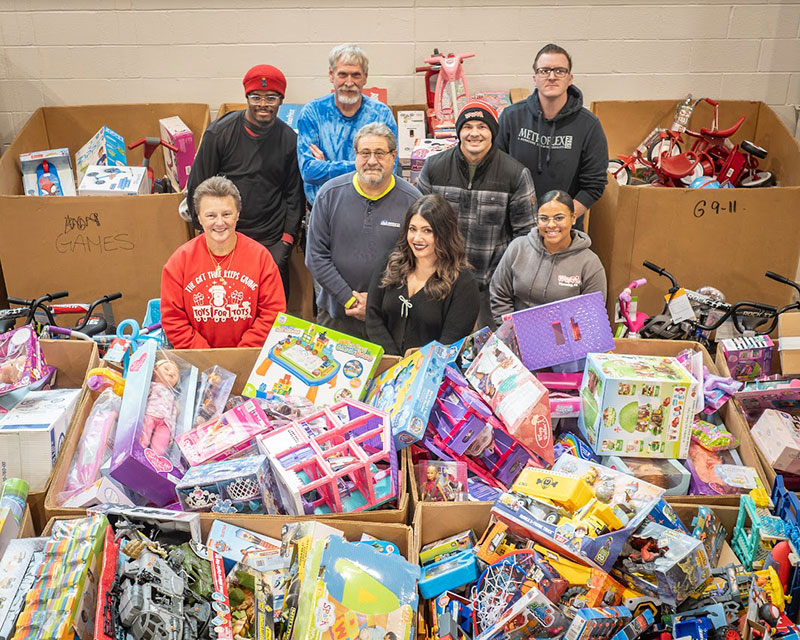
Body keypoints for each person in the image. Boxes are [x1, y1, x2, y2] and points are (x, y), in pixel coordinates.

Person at [186, 64, 304, 298]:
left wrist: (286, 241)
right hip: (226, 235)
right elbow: (197, 189)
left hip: (271, 240)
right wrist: (206, 234)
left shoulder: (289, 140)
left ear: (281, 100)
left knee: (274, 312)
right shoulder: (219, 134)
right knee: (227, 304)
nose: (263, 104)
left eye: (271, 97)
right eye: (256, 97)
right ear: (246, 97)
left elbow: (294, 194)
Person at [417, 100, 536, 329]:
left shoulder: (515, 174)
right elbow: (418, 225)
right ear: (458, 132)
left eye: (482, 127)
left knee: (489, 355)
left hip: (491, 290)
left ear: (492, 132)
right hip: (439, 283)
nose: (474, 133)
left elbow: (525, 238)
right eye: (467, 126)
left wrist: (502, 279)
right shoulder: (434, 168)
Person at [306, 124, 421, 340]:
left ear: (393, 156)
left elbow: (419, 262)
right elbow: (315, 257)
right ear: (356, 155)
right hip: (336, 318)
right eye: (365, 153)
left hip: (392, 318)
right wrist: (349, 299)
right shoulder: (329, 194)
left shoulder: (413, 201)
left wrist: (378, 303)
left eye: (380, 153)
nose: (371, 161)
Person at [162, 176, 286, 348]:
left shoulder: (261, 258)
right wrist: (205, 357)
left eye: (226, 214)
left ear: (238, 214)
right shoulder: (179, 261)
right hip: (197, 363)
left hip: (249, 358)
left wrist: (239, 356)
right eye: (211, 215)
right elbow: (173, 318)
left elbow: (273, 313)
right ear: (199, 217)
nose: (219, 223)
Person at [497, 44, 609, 231]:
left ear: (570, 78)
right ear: (535, 78)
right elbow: (496, 172)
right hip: (516, 227)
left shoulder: (589, 125)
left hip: (563, 231)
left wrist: (559, 222)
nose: (551, 76)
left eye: (560, 71)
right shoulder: (511, 117)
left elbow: (594, 186)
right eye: (544, 71)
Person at [366, 194, 478, 355]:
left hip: (432, 372)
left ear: (444, 233)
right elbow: (373, 316)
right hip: (386, 366)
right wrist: (395, 363)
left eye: (427, 231)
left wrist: (411, 368)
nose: (417, 238)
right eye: (413, 229)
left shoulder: (464, 283)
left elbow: (450, 342)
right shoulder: (390, 262)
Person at [297, 43, 398, 206]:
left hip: (370, 207)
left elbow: (390, 170)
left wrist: (326, 167)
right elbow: (309, 171)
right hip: (324, 210)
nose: (349, 83)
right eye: (342, 74)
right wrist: (367, 166)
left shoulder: (381, 115)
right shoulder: (313, 113)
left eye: (356, 75)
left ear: (365, 77)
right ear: (331, 75)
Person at [489, 189, 607, 325]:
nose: (551, 225)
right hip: (516, 334)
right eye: (544, 218)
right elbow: (499, 293)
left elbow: (592, 314)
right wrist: (511, 331)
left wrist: (558, 340)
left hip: (565, 339)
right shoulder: (518, 248)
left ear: (573, 218)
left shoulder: (590, 263)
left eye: (559, 218)